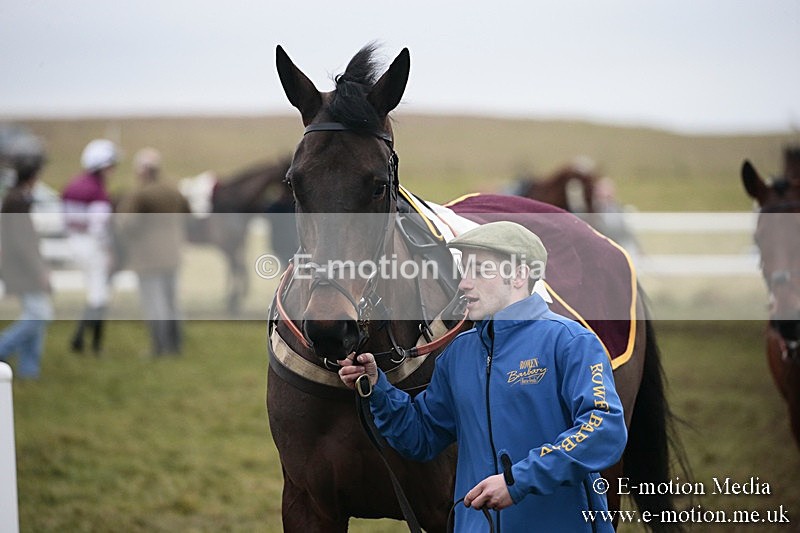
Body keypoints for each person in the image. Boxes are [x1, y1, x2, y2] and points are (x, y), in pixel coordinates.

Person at [338, 221, 627, 532]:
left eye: (480, 270)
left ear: (518, 275)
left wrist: (518, 480)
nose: (464, 283)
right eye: (464, 270)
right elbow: (420, 436)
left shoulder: (571, 342)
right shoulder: (458, 353)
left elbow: (603, 429)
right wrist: (377, 388)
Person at [116, 148, 190, 356]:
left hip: (148, 258)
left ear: (142, 170)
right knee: (172, 304)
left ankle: (160, 348)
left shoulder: (139, 194)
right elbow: (188, 214)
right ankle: (175, 346)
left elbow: (126, 224)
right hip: (173, 255)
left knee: (155, 305)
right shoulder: (173, 190)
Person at [0, 133, 53, 380]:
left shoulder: (17, 198)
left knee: (37, 316)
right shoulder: (17, 200)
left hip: (21, 266)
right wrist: (39, 270)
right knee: (39, 315)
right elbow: (22, 242)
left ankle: (30, 370)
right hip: (23, 268)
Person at [62, 138, 119, 355]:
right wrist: (109, 250)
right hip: (92, 246)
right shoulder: (97, 191)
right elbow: (99, 227)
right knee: (99, 295)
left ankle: (81, 340)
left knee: (95, 292)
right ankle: (91, 343)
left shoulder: (72, 185)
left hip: (75, 242)